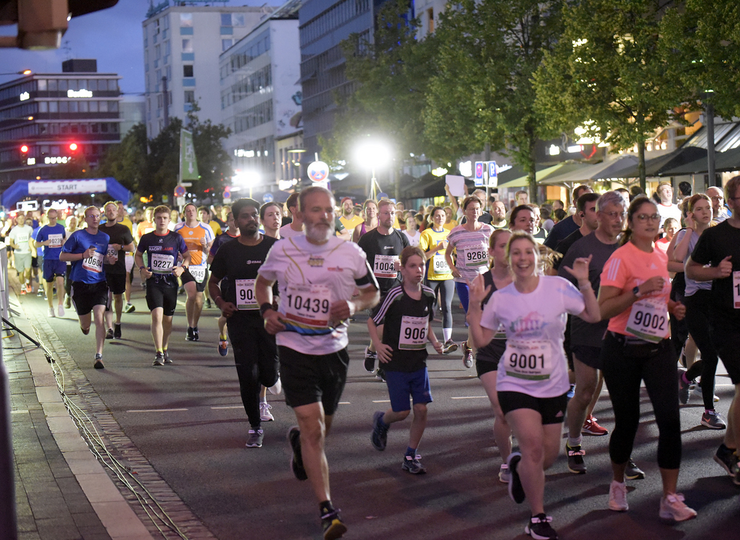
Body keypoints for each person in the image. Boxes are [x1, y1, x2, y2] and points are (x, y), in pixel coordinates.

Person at [255, 186, 379, 540]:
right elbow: (263, 283)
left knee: (320, 431)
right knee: (313, 429)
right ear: (300, 213)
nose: (323, 216)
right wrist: (267, 311)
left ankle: (299, 445)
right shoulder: (283, 249)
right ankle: (327, 508)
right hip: (294, 348)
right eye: (315, 210)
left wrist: (354, 306)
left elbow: (372, 292)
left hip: (334, 352)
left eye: (328, 210)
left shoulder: (350, 251)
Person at [468, 231, 601, 540]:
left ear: (538, 256)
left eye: (528, 252)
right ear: (508, 259)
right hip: (514, 382)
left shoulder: (558, 287)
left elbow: (593, 315)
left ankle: (518, 470)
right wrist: (475, 305)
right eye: (516, 253)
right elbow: (483, 339)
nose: (523, 258)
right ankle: (537, 516)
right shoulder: (501, 297)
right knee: (532, 446)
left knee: (548, 456)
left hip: (553, 384)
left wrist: (583, 281)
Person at [598, 196, 696, 521]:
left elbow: (660, 298)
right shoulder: (620, 258)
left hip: (657, 347)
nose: (651, 222)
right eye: (643, 218)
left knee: (670, 421)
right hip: (622, 349)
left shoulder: (660, 254)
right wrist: (638, 292)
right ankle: (616, 484)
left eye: (654, 217)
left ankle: (669, 497)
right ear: (631, 223)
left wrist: (673, 308)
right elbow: (602, 309)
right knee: (627, 422)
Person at [558, 192, 644, 478]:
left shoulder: (630, 247)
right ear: (598, 216)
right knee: (585, 390)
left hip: (622, 330)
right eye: (612, 214)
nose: (618, 220)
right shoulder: (580, 248)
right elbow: (562, 289)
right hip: (587, 330)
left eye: (622, 215)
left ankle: (623, 454)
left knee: (623, 398)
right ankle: (574, 444)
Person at [208, 198, 280, 448]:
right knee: (248, 374)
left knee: (269, 374)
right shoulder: (228, 250)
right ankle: (254, 426)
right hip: (240, 321)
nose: (252, 219)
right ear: (236, 220)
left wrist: (281, 298)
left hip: (269, 319)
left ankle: (272, 376)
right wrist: (220, 302)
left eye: (254, 215)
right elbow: (213, 282)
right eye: (246, 216)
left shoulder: (275, 246)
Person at [369, 245, 444, 474]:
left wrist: (434, 341)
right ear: (402, 269)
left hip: (418, 363)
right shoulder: (395, 295)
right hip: (396, 363)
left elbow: (425, 321)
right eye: (413, 266)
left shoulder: (429, 295)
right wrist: (378, 346)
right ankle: (382, 421)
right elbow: (373, 321)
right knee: (401, 412)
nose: (418, 270)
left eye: (421, 265)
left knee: (421, 410)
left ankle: (410, 455)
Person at [686, 175, 740, 485]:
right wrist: (715, 272)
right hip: (726, 323)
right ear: (731, 203)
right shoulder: (716, 236)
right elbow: (691, 268)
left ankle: (727, 448)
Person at [672, 193, 725, 427]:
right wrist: (690, 230)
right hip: (694, 299)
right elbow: (678, 258)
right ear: (691, 213)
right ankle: (708, 412)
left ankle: (685, 377)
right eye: (700, 208)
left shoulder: (718, 233)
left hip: (718, 299)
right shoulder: (686, 234)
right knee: (711, 355)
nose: (706, 211)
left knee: (718, 352)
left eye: (708, 207)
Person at [475, 228, 513, 483]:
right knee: (501, 410)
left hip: (519, 357)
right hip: (489, 355)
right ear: (490, 251)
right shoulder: (481, 282)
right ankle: (508, 462)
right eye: (502, 246)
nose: (508, 251)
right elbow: (473, 321)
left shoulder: (526, 281)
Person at [358, 200, 409, 377]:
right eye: (386, 213)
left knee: (391, 330)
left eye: (393, 213)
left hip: (396, 290)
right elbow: (358, 264)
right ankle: (381, 361)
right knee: (382, 329)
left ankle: (376, 356)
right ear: (378, 215)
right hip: (376, 291)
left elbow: (409, 261)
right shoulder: (368, 239)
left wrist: (402, 266)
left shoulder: (402, 238)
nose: (390, 216)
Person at [135, 205, 191, 366]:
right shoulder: (147, 238)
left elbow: (187, 257)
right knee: (156, 315)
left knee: (167, 319)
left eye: (165, 218)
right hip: (154, 282)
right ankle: (158, 352)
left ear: (169, 220)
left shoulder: (176, 238)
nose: (162, 221)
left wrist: (182, 268)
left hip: (170, 283)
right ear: (154, 220)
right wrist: (142, 269)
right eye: (159, 218)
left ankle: (165, 348)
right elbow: (138, 255)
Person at [60, 206, 111, 370]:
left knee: (99, 317)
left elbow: (102, 258)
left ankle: (99, 356)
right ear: (86, 218)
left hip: (99, 284)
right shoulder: (77, 236)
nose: (95, 219)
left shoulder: (105, 237)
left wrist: (109, 260)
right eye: (91, 216)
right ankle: (84, 326)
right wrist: (82, 255)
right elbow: (62, 256)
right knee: (86, 324)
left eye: (97, 216)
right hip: (80, 284)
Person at [446, 196, 494, 368]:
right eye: (471, 209)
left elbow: (495, 251)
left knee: (482, 317)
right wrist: (452, 267)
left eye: (477, 209)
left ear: (481, 211)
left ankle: (468, 346)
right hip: (464, 280)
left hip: (483, 279)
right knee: (473, 317)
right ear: (465, 211)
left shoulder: (488, 230)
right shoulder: (456, 232)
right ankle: (473, 352)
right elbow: (447, 253)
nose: (474, 212)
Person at [419, 206, 456, 353]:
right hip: (431, 276)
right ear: (432, 218)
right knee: (430, 309)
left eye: (442, 215)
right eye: (437, 216)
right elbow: (423, 256)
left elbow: (455, 253)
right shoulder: (426, 234)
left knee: (447, 306)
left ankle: (448, 340)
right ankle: (422, 337)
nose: (440, 218)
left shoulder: (450, 233)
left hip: (447, 275)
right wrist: (437, 248)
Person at [174, 203, 214, 341]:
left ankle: (194, 325)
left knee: (199, 299)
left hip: (201, 266)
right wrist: (177, 255)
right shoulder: (178, 228)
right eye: (187, 211)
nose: (190, 213)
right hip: (185, 266)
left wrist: (204, 246)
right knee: (191, 295)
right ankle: (189, 325)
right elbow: (174, 245)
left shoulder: (206, 228)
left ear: (196, 213)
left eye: (193, 210)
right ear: (184, 213)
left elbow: (211, 250)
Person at [101, 201, 135, 339]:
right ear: (104, 212)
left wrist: (119, 247)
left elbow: (131, 247)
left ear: (117, 212)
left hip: (118, 267)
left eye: (113, 210)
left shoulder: (123, 229)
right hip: (103, 268)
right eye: (108, 210)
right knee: (106, 298)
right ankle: (109, 327)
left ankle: (118, 323)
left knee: (117, 297)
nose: (110, 212)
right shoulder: (100, 229)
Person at [208, 211, 240, 357]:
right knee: (227, 316)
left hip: (247, 284)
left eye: (236, 220)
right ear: (227, 222)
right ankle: (223, 337)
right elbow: (210, 259)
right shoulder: (221, 239)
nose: (235, 223)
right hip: (228, 282)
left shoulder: (249, 238)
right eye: (232, 220)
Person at [34, 208, 67, 317]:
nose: (53, 220)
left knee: (60, 282)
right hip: (48, 259)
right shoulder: (43, 230)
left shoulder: (61, 228)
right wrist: (44, 243)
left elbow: (65, 239)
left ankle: (60, 304)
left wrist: (63, 242)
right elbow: (36, 244)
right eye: (51, 218)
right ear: (47, 217)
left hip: (59, 258)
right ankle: (50, 307)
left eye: (55, 218)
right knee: (49, 284)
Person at [544, 185, 593, 249]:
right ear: (575, 203)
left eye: (592, 200)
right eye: (584, 200)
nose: (589, 204)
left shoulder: (600, 228)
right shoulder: (559, 229)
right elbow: (546, 252)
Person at [117, 202, 137, 314]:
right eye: (117, 209)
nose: (120, 210)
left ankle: (127, 302)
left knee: (127, 278)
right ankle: (111, 301)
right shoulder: (107, 223)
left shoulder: (127, 222)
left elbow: (130, 238)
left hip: (126, 254)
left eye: (121, 208)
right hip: (114, 254)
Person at [8, 214, 34, 293]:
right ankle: (23, 286)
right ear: (16, 220)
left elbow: (32, 239)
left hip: (27, 252)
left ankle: (27, 282)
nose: (21, 220)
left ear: (24, 219)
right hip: (18, 253)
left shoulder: (29, 229)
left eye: (22, 218)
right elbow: (11, 242)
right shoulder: (14, 230)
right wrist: (14, 246)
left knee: (28, 270)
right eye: (19, 219)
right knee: (21, 272)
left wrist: (32, 247)